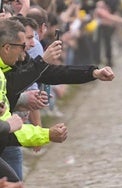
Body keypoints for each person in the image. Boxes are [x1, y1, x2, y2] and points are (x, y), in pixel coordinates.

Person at [0, 18, 69, 182]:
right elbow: (9, 126)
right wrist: (9, 125)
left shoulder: (4, 71)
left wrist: (46, 134)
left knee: (13, 182)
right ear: (7, 47)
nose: (27, 49)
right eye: (22, 45)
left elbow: (11, 127)